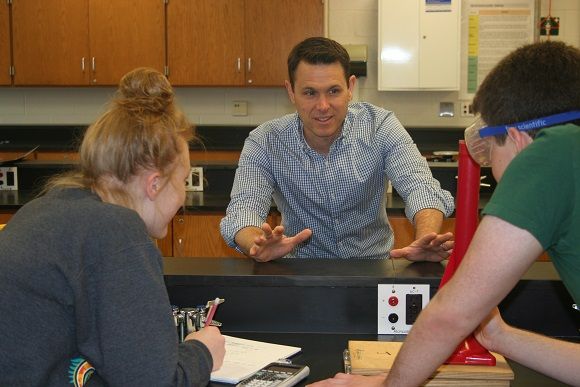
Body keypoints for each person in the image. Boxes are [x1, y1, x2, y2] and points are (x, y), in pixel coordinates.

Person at [308, 41, 580, 386]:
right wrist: (500, 337)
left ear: (516, 139)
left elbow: (448, 316)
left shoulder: (552, 152)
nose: (494, 174)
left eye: (490, 154)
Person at [0, 68, 225, 386]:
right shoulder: (115, 232)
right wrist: (202, 352)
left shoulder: (43, 210)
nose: (183, 197)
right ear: (154, 184)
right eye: (183, 180)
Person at [220, 37, 455, 262]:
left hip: (373, 269)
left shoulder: (380, 126)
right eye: (310, 93)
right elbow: (243, 208)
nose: (323, 106)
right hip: (300, 273)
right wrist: (256, 243)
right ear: (291, 91)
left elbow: (420, 187)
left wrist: (426, 238)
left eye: (333, 91)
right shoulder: (265, 141)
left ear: (350, 87)